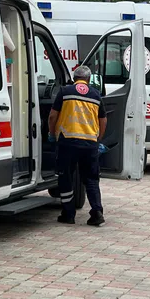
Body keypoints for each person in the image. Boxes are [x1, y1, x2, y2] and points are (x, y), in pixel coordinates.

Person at [48, 65, 107, 227]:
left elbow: (53, 116)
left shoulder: (64, 92)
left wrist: (52, 134)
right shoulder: (96, 95)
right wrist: (98, 140)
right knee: (91, 179)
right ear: (88, 80)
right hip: (89, 144)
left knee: (66, 177)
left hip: (68, 141)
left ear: (74, 78)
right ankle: (96, 212)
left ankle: (68, 214)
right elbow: (103, 120)